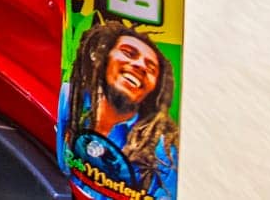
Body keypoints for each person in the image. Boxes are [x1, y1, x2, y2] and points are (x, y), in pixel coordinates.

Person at [58, 21, 179, 200]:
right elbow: (63, 165)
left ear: (155, 89)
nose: (140, 66)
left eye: (151, 68)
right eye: (129, 53)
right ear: (103, 58)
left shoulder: (164, 154)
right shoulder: (70, 100)